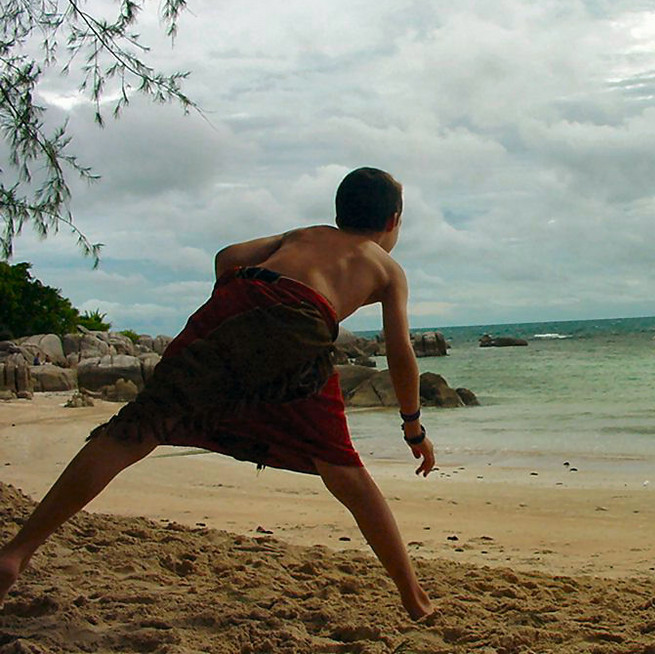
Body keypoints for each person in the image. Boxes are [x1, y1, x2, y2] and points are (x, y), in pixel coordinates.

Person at [0, 167, 436, 620]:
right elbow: (400, 352)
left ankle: (16, 552)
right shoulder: (386, 267)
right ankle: (414, 598)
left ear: (340, 211)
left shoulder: (304, 234)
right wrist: (412, 427)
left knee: (136, 429)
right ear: (393, 222)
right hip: (300, 321)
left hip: (237, 296)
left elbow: (227, 255)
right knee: (343, 470)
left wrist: (237, 311)